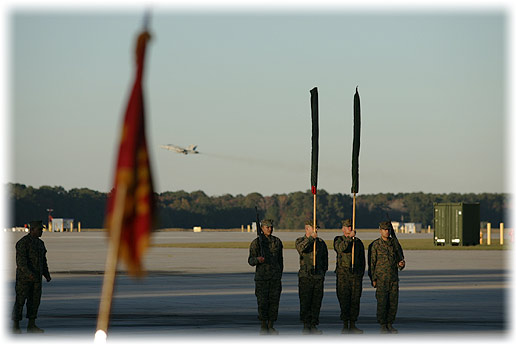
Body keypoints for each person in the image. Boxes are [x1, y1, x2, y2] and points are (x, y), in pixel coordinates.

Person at [12, 220, 52, 334]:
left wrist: (46, 274)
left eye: (42, 229)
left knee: (34, 302)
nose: (41, 231)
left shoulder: (40, 244)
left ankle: (31, 325)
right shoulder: (23, 243)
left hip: (36, 279)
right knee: (20, 301)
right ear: (32, 229)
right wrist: (29, 274)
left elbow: (43, 261)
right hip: (24, 279)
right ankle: (15, 326)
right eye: (39, 229)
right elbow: (21, 263)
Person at [368, 221, 406, 333]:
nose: (387, 231)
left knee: (393, 303)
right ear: (380, 231)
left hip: (393, 278)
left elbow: (400, 260)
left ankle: (390, 323)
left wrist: (401, 265)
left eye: (388, 229)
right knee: (382, 303)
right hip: (381, 279)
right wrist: (373, 279)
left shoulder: (395, 244)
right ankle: (383, 325)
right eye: (384, 229)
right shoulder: (375, 245)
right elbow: (372, 264)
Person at [248, 219, 283, 334]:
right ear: (262, 228)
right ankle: (263, 325)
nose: (270, 229)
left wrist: (279, 274)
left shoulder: (277, 242)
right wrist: (258, 260)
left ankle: (271, 325)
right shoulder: (256, 243)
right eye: (267, 227)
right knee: (262, 302)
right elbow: (250, 260)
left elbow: (280, 260)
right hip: (262, 278)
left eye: (271, 227)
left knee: (274, 303)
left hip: (275, 278)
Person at [295, 220, 328, 334]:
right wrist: (310, 239)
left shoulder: (321, 243)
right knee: (305, 301)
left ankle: (314, 324)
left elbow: (325, 260)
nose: (316, 230)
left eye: (317, 228)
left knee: (316, 302)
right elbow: (301, 249)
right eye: (313, 228)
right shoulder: (300, 240)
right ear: (307, 228)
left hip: (317, 277)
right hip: (306, 277)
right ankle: (306, 324)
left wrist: (322, 273)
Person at [334, 218, 365, 334]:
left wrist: (360, 274)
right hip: (343, 276)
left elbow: (362, 260)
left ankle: (353, 324)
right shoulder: (339, 240)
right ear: (343, 229)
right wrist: (349, 239)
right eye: (348, 227)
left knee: (355, 300)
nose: (350, 228)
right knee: (344, 300)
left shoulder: (358, 242)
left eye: (351, 226)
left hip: (355, 276)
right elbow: (340, 248)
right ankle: (345, 325)